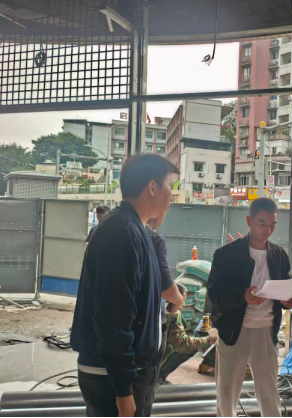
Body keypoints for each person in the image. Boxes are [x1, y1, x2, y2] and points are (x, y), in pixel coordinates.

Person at [71, 154, 180, 418]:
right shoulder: (122, 234)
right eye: (170, 186)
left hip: (127, 372)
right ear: (152, 187)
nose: (172, 196)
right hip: (112, 377)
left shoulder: (134, 229)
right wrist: (123, 390)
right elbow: (113, 318)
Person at [208, 198, 292, 418]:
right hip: (234, 332)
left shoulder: (278, 255)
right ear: (249, 221)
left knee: (269, 394)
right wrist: (243, 296)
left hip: (266, 331)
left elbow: (284, 283)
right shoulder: (226, 255)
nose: (268, 229)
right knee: (227, 394)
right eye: (262, 223)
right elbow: (214, 295)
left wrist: (288, 299)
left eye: (273, 224)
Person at [146, 214, 186, 379]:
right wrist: (178, 300)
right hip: (145, 328)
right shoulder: (153, 239)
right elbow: (166, 287)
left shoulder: (109, 228)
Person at [157, 284, 217, 385]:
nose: (184, 304)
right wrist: (207, 340)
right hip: (154, 356)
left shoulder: (159, 306)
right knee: (192, 346)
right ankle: (158, 376)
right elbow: (182, 343)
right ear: (175, 298)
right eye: (183, 300)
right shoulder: (172, 313)